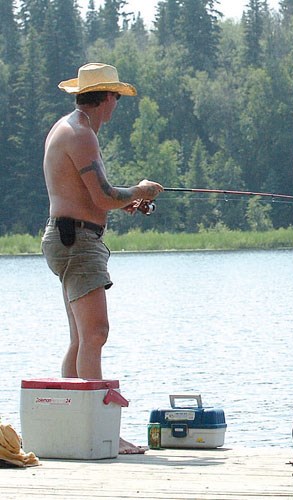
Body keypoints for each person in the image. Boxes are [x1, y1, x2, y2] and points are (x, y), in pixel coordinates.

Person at [41, 63, 163, 455]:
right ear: (106, 96)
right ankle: (99, 431)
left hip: (68, 237)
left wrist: (127, 201)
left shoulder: (75, 129)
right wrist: (139, 190)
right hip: (77, 242)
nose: (117, 105)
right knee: (95, 334)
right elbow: (103, 196)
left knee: (81, 338)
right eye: (116, 97)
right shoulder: (80, 134)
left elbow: (96, 195)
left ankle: (75, 425)